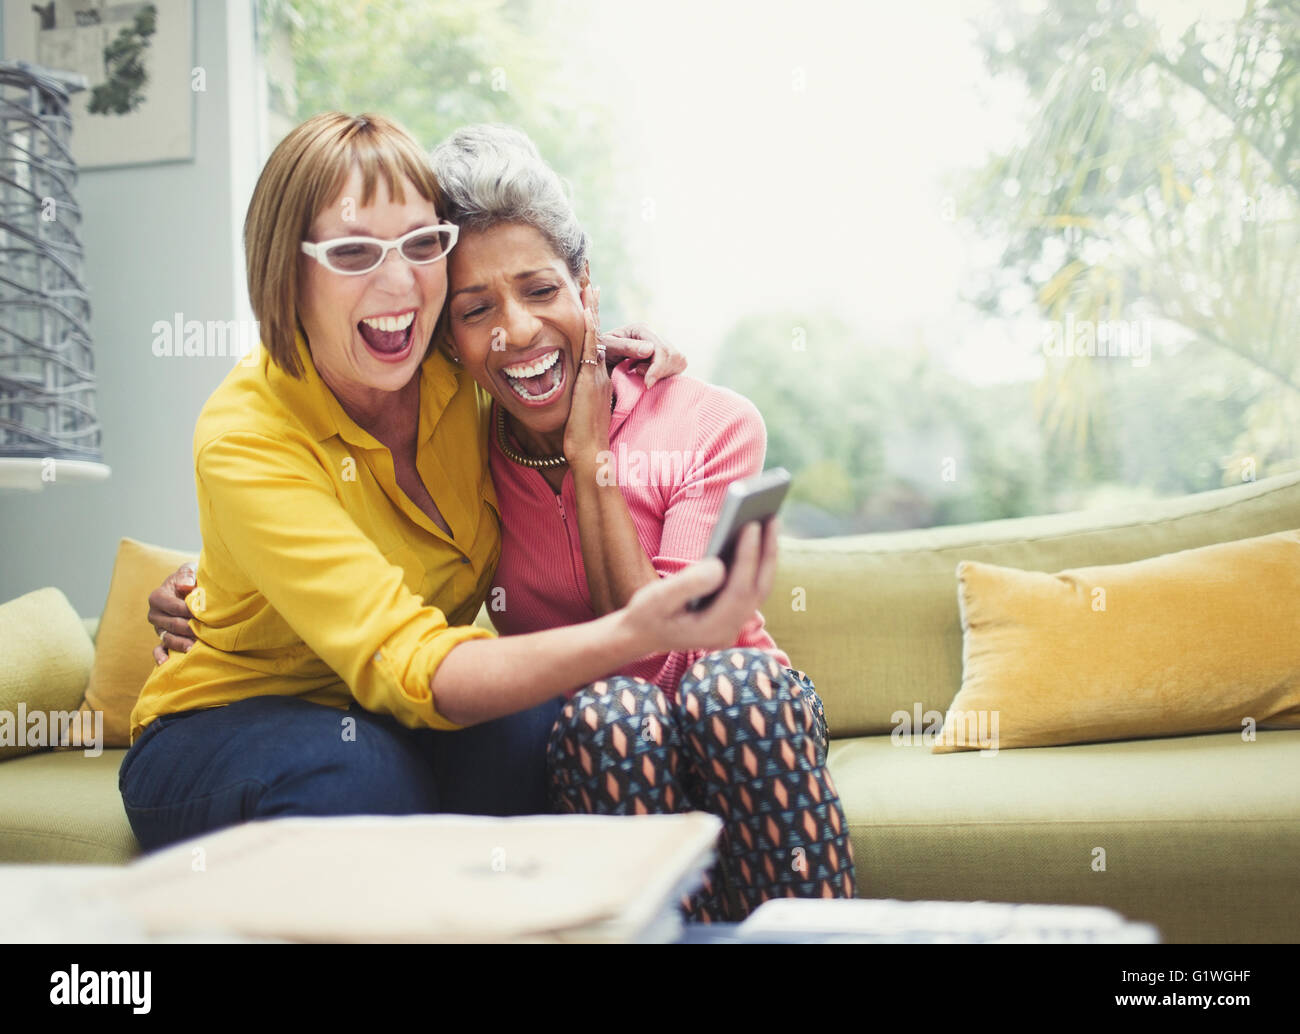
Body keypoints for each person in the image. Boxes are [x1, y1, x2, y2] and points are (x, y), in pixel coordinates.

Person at [152, 121, 856, 923]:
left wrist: (598, 419)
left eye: (417, 246)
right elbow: (353, 587)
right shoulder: (344, 417)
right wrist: (195, 584)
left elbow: (675, 652)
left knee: (641, 709)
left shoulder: (482, 384)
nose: (512, 330)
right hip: (290, 712)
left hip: (676, 701)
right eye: (353, 254)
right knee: (548, 729)